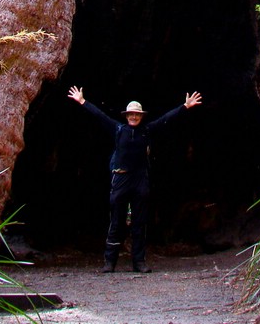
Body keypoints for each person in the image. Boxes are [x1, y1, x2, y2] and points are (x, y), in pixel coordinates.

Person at [68, 85, 203, 273]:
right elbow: (100, 117)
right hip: (121, 178)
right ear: (126, 115)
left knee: (139, 223)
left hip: (140, 180)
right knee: (116, 221)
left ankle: (139, 262)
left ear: (141, 116)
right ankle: (109, 262)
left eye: (137, 115)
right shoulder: (118, 129)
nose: (134, 117)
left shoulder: (147, 131)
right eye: (131, 114)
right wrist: (82, 101)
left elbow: (166, 120)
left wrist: (185, 107)